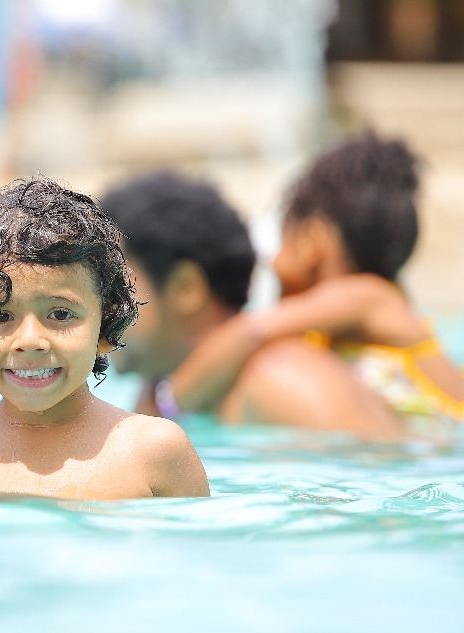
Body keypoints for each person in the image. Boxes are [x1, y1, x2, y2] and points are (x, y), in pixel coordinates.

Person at [166, 132, 464, 432]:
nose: (270, 258)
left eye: (282, 233)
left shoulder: (367, 296)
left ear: (310, 241)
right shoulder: (356, 314)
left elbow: (252, 331)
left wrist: (170, 400)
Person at [0, 177, 209, 499]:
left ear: (105, 328)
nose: (30, 340)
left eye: (59, 314)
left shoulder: (155, 451)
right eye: (1, 316)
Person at [100, 170, 402, 439]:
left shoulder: (281, 380)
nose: (99, 309)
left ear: (185, 288)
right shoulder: (162, 394)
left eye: (113, 286)